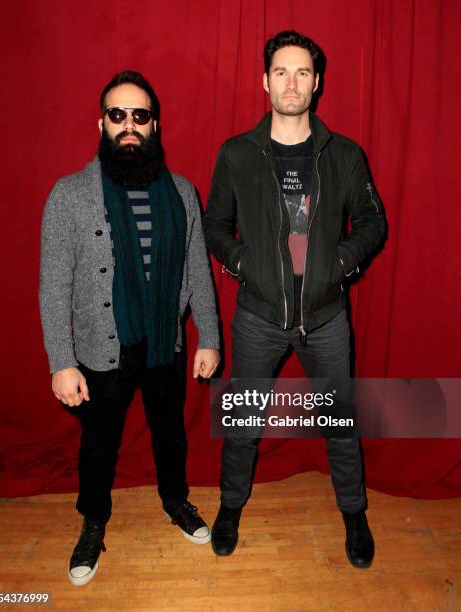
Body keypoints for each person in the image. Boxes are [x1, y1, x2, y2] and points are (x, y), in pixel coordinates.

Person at [203, 31, 386, 568]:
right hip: (259, 315)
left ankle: (354, 514)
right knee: (243, 423)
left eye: (302, 72)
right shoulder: (237, 153)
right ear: (264, 81)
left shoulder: (345, 155)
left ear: (317, 82)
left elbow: (374, 222)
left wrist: (339, 263)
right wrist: (242, 263)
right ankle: (231, 507)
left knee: (340, 424)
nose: (291, 82)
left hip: (326, 316)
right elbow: (215, 223)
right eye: (281, 71)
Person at [40, 71, 220, 586]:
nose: (128, 125)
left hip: (165, 340)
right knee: (98, 444)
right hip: (102, 348)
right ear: (101, 122)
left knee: (170, 435)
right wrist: (61, 361)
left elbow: (197, 271)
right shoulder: (69, 194)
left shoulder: (182, 192)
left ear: (154, 124)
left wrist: (208, 335)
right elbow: (53, 286)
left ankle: (175, 501)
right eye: (117, 115)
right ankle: (93, 523)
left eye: (139, 116)